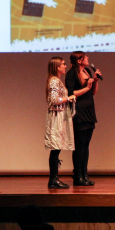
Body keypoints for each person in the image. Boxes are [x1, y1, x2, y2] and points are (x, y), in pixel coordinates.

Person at [65, 51, 102, 187]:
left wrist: (96, 81)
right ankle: (77, 176)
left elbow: (93, 92)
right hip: (78, 111)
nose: (87, 59)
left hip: (89, 110)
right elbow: (71, 93)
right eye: (85, 57)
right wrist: (86, 87)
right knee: (79, 145)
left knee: (86, 145)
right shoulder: (71, 74)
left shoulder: (87, 70)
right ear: (79, 60)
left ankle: (84, 174)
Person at [45, 57, 76, 189]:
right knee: (55, 148)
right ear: (57, 67)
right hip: (56, 116)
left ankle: (54, 178)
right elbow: (53, 100)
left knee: (57, 148)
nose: (65, 66)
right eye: (63, 64)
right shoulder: (54, 81)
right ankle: (53, 179)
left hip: (60, 115)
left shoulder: (57, 81)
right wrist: (68, 98)